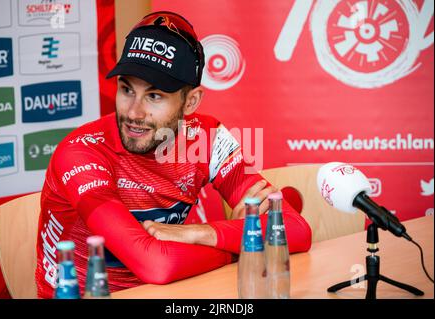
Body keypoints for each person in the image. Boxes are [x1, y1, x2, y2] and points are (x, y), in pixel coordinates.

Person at [35, 11, 312, 298]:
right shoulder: (82, 151)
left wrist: (202, 233)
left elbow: (296, 230)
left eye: (154, 96)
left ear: (191, 101)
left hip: (174, 292)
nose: (134, 112)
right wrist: (242, 245)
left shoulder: (207, 137)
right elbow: (156, 265)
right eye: (126, 89)